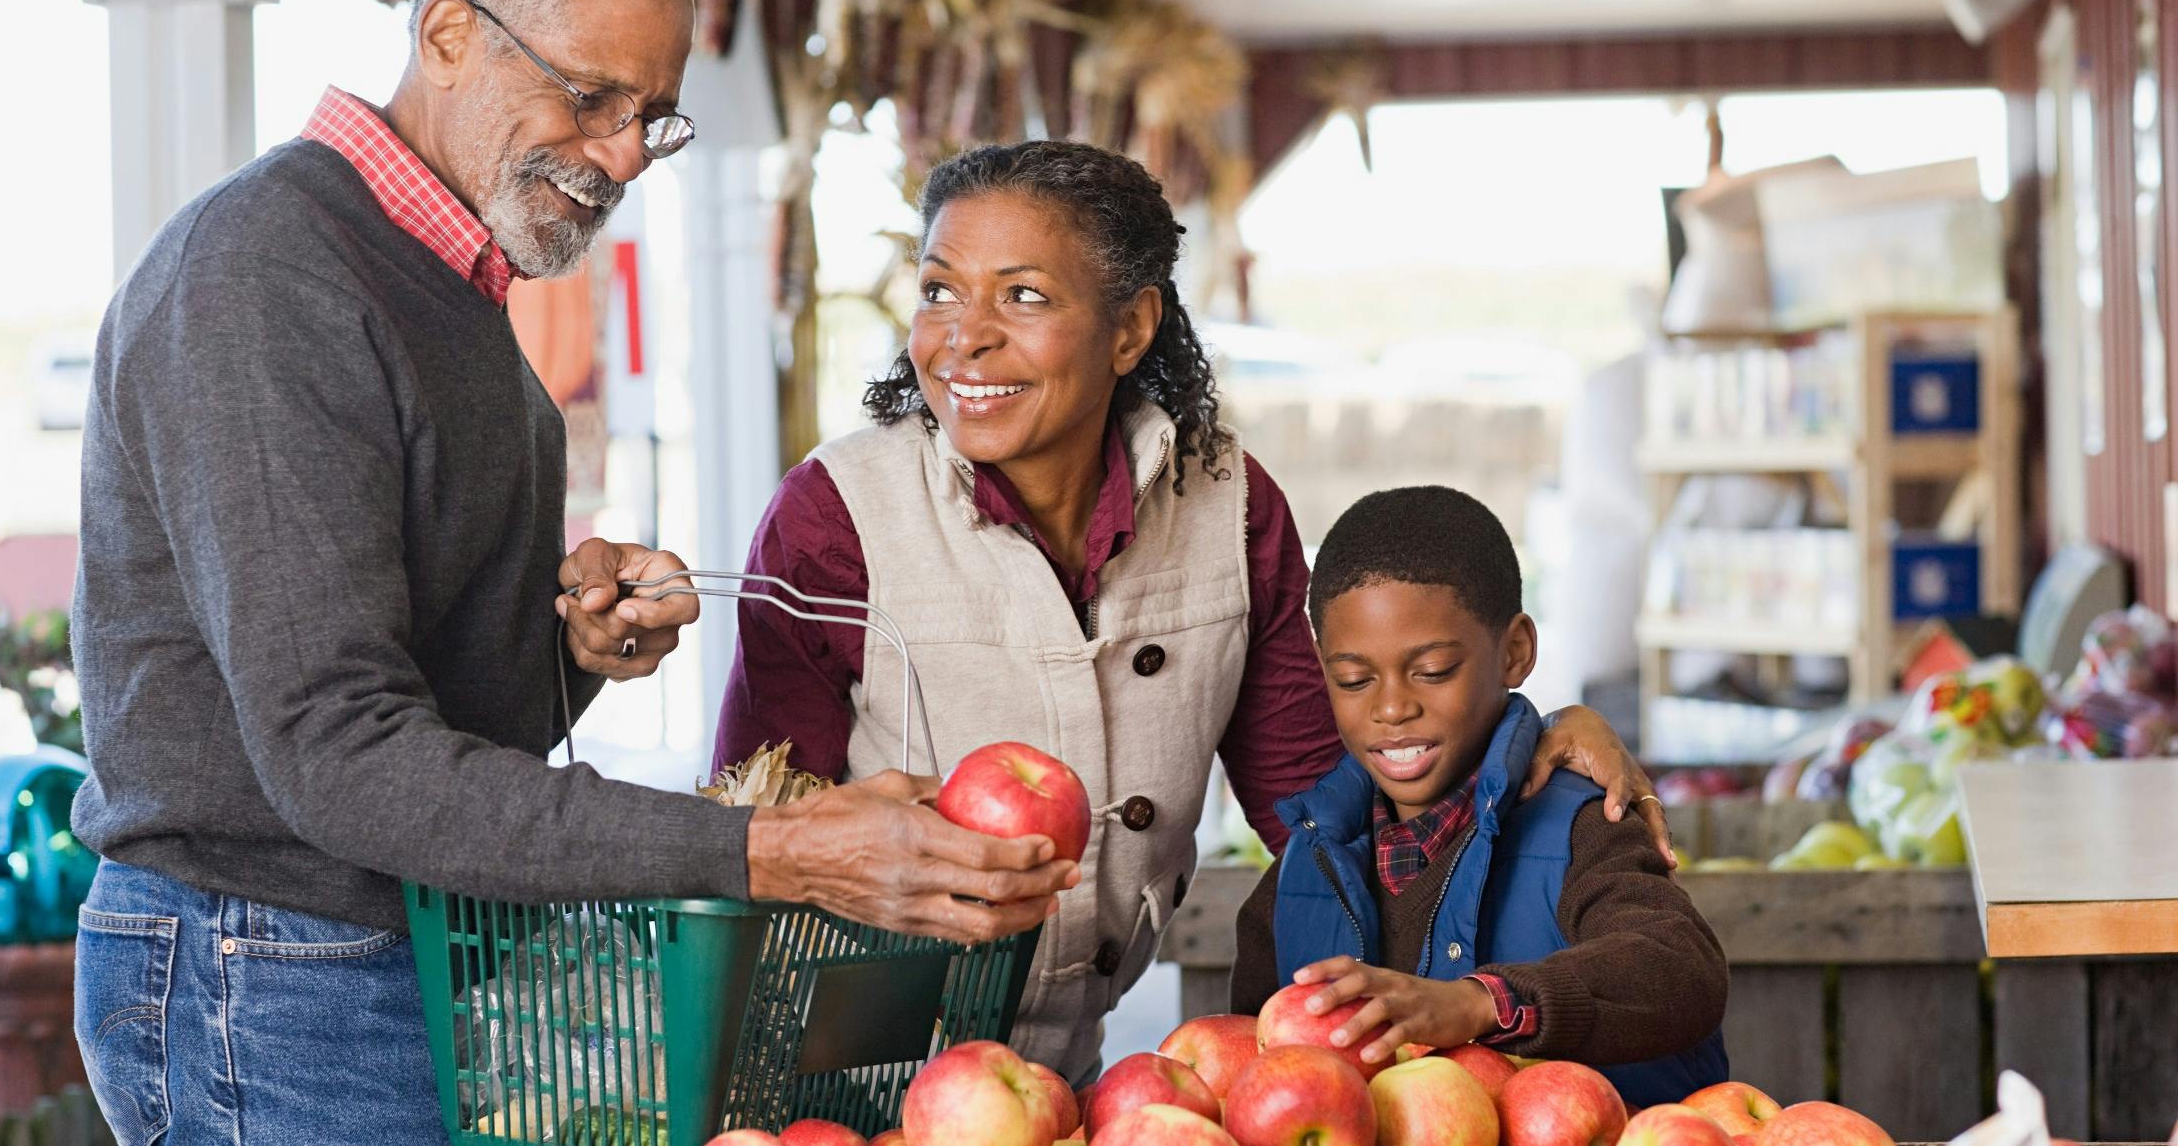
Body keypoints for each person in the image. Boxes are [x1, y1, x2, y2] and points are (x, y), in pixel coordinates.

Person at [68, 0, 1069, 1142]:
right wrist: (776, 852)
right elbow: (338, 757)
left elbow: (409, 692)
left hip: (372, 950)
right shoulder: (264, 275)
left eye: (653, 119)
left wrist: (568, 650)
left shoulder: (445, 277)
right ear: (448, 34)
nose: (623, 157)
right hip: (273, 967)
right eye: (591, 99)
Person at [714, 140, 1672, 1083]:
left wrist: (1531, 738)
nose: (963, 335)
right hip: (839, 1062)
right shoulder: (836, 515)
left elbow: (1329, 809)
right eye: (938, 290)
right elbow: (753, 829)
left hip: (1067, 1080)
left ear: (1130, 329)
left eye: (1025, 294)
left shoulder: (1230, 508)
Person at [1229, 486, 1728, 1107]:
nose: (1391, 707)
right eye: (1353, 680)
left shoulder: (1583, 826)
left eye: (1433, 670)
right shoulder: (1298, 877)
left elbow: (1680, 968)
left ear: (1515, 652)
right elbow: (1250, 1081)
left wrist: (1478, 1004)